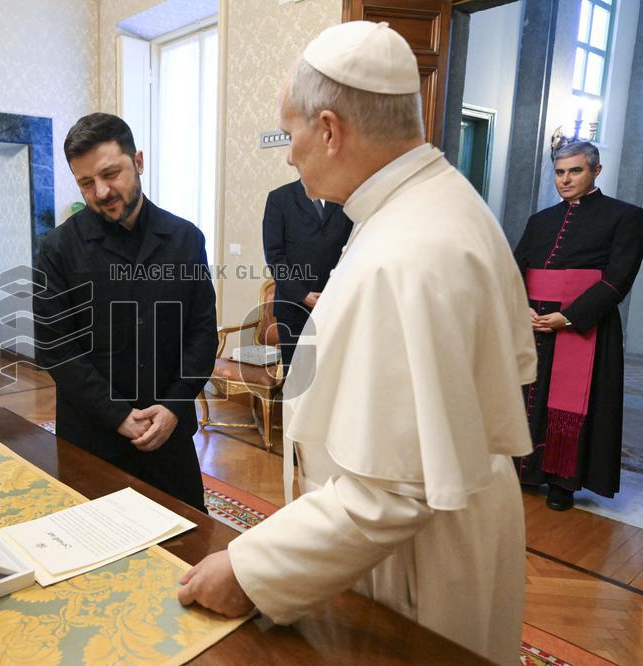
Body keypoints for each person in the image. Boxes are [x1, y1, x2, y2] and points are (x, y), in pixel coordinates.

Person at [177, 21, 536, 664]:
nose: (289, 155)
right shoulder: (429, 206)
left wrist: (251, 570)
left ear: (330, 129)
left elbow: (393, 491)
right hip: (424, 537)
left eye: (291, 135)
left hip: (419, 563)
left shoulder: (409, 249)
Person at [33, 112, 218, 512]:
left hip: (170, 437)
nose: (101, 191)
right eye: (86, 182)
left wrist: (173, 406)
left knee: (187, 548)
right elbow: (55, 347)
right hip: (91, 436)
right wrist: (117, 415)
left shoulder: (186, 240)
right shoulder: (58, 249)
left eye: (110, 173)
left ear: (138, 161)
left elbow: (202, 334)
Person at [513, 141, 643, 511]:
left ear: (596, 172)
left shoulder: (626, 216)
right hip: (534, 321)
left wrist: (568, 316)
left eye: (575, 171)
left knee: (572, 403)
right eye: (559, 172)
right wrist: (521, 307)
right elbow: (514, 269)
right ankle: (526, 469)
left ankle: (561, 481)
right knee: (527, 397)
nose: (565, 180)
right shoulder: (540, 220)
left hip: (584, 326)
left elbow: (618, 279)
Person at [262, 179, 351, 371]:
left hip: (336, 304)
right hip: (293, 308)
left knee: (331, 374)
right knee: (296, 377)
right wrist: (302, 294)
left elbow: (353, 247)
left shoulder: (343, 195)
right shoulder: (280, 198)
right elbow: (274, 256)